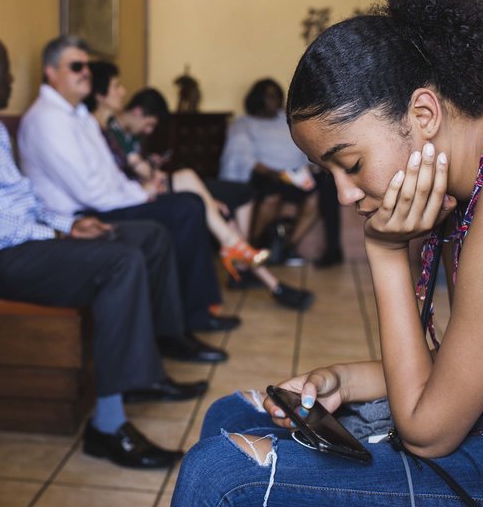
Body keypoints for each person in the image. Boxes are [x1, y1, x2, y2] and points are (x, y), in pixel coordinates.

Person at [173, 0, 483, 507]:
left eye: (351, 164)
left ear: (423, 113)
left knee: (221, 477)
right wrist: (344, 378)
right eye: (330, 175)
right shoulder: (481, 165)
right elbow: (475, 362)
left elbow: (429, 432)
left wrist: (387, 253)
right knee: (232, 413)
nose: (344, 194)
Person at [0, 34, 225, 469]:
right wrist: (56, 236)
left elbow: (24, 201)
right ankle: (107, 426)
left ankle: (145, 373)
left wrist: (68, 225)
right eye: (7, 72)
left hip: (17, 240)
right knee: (120, 262)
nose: (13, 80)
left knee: (148, 237)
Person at [18, 36, 237, 334]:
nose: (85, 72)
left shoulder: (79, 116)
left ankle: (194, 312)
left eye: (87, 67)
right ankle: (187, 319)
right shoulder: (47, 119)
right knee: (185, 208)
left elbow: (111, 176)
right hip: (82, 219)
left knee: (188, 204)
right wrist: (143, 196)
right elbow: (92, 193)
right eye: (76, 66)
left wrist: (141, 193)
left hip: (105, 204)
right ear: (51, 72)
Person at [85, 63, 314, 311]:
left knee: (223, 201)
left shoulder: (110, 127)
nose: (122, 90)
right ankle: (255, 270)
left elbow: (133, 171)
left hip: (142, 189)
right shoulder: (101, 128)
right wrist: (154, 176)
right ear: (100, 95)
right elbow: (127, 176)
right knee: (195, 188)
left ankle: (246, 263)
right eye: (116, 86)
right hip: (133, 196)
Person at [220, 78, 344, 267]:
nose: (275, 100)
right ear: (258, 98)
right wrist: (274, 174)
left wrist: (309, 168)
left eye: (277, 96)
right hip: (265, 177)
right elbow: (243, 157)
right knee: (272, 195)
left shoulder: (286, 120)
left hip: (296, 176)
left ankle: (288, 247)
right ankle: (250, 246)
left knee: (323, 190)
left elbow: (306, 145)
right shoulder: (245, 123)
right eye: (269, 96)